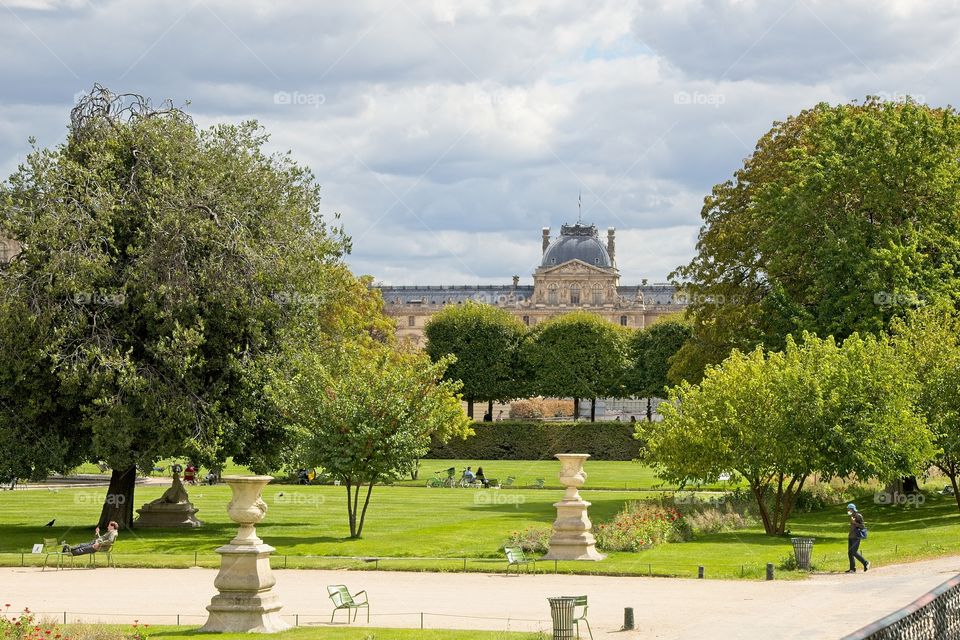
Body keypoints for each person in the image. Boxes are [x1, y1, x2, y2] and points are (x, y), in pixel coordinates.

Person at [846, 503, 870, 573]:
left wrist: (854, 522)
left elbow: (862, 526)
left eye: (849, 509)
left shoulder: (858, 516)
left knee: (854, 552)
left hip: (856, 537)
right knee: (850, 552)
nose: (848, 510)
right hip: (850, 536)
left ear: (853, 509)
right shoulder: (852, 516)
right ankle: (852, 569)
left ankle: (865, 563)